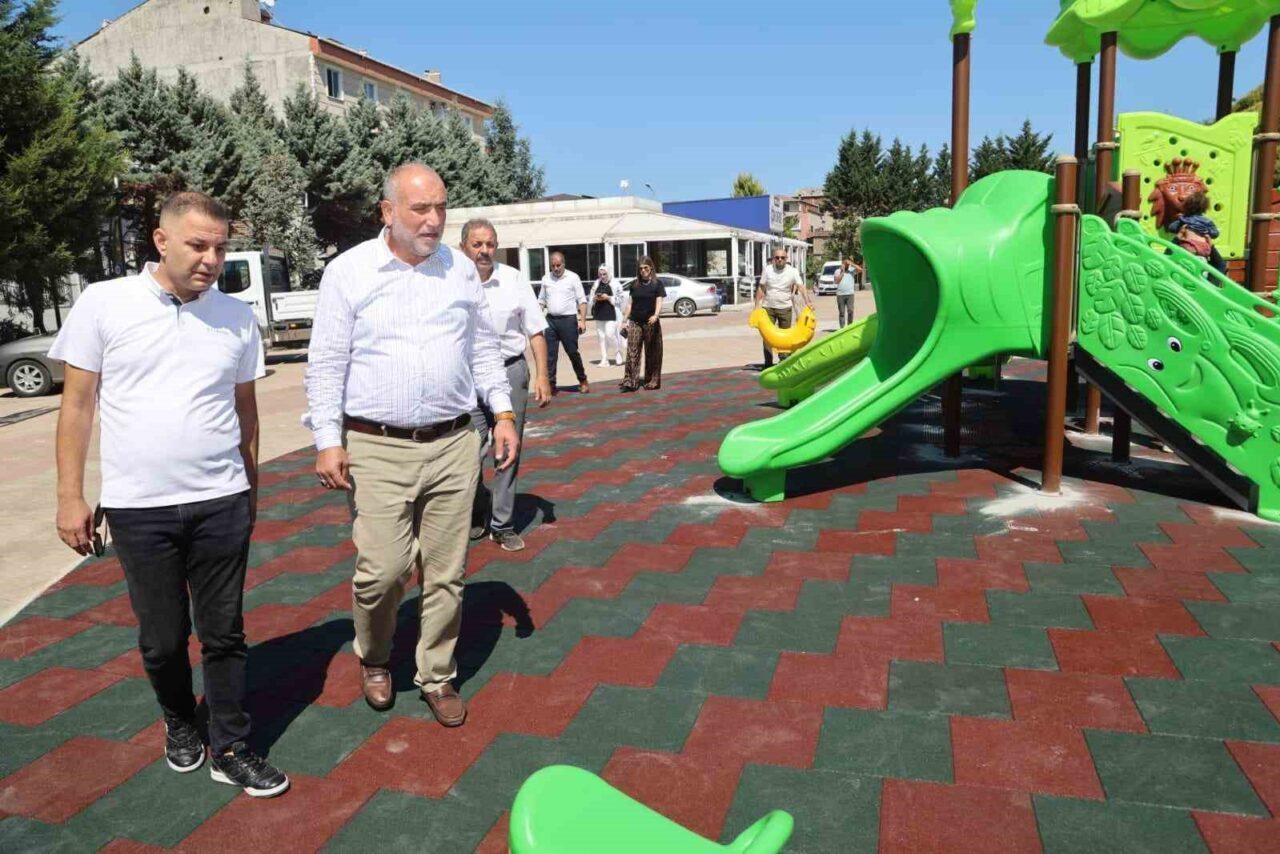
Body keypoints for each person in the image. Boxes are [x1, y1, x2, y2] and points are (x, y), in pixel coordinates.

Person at [51, 191, 289, 798]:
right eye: (198, 245)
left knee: (224, 633)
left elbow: (246, 411)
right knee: (162, 640)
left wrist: (250, 486)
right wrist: (70, 496)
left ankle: (230, 746)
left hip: (221, 500)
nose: (211, 259)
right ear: (161, 241)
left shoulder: (235, 317)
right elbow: (76, 406)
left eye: (220, 247)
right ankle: (180, 719)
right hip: (138, 508)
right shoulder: (104, 302)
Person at [305, 163, 516, 728]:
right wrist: (327, 440)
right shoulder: (349, 272)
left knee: (447, 572)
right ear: (388, 212)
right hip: (376, 446)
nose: (433, 220)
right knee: (383, 571)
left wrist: (502, 411)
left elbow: (483, 350)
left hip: (454, 442)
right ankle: (375, 656)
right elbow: (326, 363)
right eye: (420, 208)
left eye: (440, 207)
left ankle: (437, 674)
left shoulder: (460, 271)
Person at [459, 217, 551, 552]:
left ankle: (502, 525)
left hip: (509, 371)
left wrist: (542, 376)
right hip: (466, 378)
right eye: (477, 244)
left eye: (490, 244)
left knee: (507, 449)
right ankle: (476, 507)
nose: (484, 251)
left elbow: (535, 331)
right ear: (463, 247)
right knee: (465, 452)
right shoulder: (452, 281)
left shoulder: (513, 280)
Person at [537, 251, 589, 394]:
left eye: (558, 265)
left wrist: (583, 321)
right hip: (550, 321)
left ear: (563, 264)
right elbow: (541, 301)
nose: (556, 268)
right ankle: (551, 384)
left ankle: (583, 380)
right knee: (550, 355)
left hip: (568, 321)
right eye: (553, 266)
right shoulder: (546, 279)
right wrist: (536, 319)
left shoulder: (573, 277)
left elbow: (582, 300)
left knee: (572, 352)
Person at [755, 248, 813, 368]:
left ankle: (784, 362)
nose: (780, 260)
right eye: (777, 258)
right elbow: (761, 288)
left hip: (785, 308)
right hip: (768, 307)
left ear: (786, 259)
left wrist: (808, 302)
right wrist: (756, 306)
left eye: (782, 258)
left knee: (786, 336)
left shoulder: (792, 271)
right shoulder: (768, 270)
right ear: (773, 259)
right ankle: (768, 363)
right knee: (767, 336)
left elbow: (801, 287)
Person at [619, 256, 664, 392]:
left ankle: (652, 381)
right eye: (640, 269)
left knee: (652, 353)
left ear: (651, 268)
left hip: (651, 322)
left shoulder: (657, 284)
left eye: (646, 268)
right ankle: (630, 381)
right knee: (632, 351)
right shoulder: (634, 285)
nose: (643, 270)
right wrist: (624, 321)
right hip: (635, 321)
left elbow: (659, 300)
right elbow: (630, 304)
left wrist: (656, 315)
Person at [1167, 191, 1228, 274]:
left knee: (1184, 271)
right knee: (1201, 271)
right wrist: (1207, 232)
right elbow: (1215, 233)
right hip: (1202, 252)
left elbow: (1171, 227)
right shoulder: (1207, 222)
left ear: (1186, 206)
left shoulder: (1184, 220)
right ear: (1205, 208)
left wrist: (1179, 230)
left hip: (1187, 250)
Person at [587, 265, 625, 366]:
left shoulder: (615, 283)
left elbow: (621, 298)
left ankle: (618, 352)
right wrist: (595, 298)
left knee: (609, 334)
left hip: (612, 313)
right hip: (600, 312)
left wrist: (608, 297)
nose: (602, 276)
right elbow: (591, 297)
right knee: (601, 336)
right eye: (600, 274)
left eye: (604, 274)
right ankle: (604, 358)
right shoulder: (596, 283)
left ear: (608, 273)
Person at [834, 258, 861, 328]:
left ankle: (850, 326)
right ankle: (842, 327)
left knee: (850, 311)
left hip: (850, 294)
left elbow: (860, 269)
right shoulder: (837, 271)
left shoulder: (851, 270)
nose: (846, 265)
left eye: (847, 264)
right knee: (842, 312)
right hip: (840, 295)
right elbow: (836, 281)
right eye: (845, 263)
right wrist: (842, 272)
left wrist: (852, 264)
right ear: (842, 263)